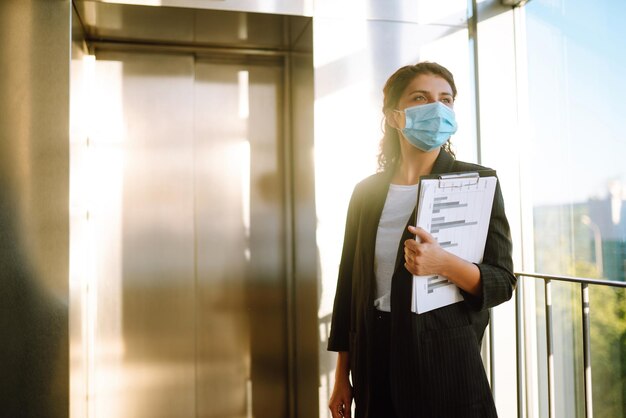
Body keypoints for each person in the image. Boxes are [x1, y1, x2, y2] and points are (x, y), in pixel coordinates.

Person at [327, 62, 516, 418]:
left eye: (446, 100)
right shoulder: (366, 193)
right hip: (374, 359)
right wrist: (342, 376)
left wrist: (442, 263)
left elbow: (502, 281)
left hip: (445, 365)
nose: (437, 109)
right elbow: (349, 288)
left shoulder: (477, 183)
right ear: (394, 114)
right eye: (421, 98)